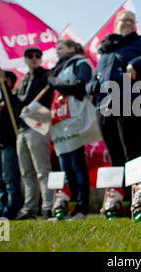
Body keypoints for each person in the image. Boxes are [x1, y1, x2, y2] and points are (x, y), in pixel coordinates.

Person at [86, 10, 141, 206]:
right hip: (104, 108)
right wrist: (92, 88)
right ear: (116, 24)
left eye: (133, 21)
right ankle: (120, 202)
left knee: (132, 155)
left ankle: (138, 199)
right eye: (125, 20)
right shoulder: (105, 50)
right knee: (115, 157)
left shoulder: (139, 44)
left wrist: (138, 62)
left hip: (129, 103)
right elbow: (92, 81)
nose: (130, 23)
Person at [47, 39, 99, 220]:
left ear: (72, 48)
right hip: (60, 122)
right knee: (66, 168)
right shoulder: (57, 70)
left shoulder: (80, 63)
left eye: (60, 47)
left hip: (74, 120)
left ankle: (81, 209)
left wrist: (56, 84)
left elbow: (79, 87)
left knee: (77, 165)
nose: (57, 51)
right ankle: (68, 209)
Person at [14, 46, 54, 220]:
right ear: (25, 59)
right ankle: (30, 208)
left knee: (42, 169)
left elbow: (51, 92)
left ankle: (48, 206)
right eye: (30, 56)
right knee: (26, 171)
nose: (34, 58)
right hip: (22, 128)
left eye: (38, 56)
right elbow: (16, 102)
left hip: (38, 125)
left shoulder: (47, 76)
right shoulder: (23, 82)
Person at [0, 70, 22, 220]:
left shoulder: (13, 100)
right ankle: (3, 208)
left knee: (10, 178)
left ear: (9, 81)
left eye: (2, 81)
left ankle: (12, 208)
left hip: (10, 144)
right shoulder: (0, 105)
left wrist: (3, 84)